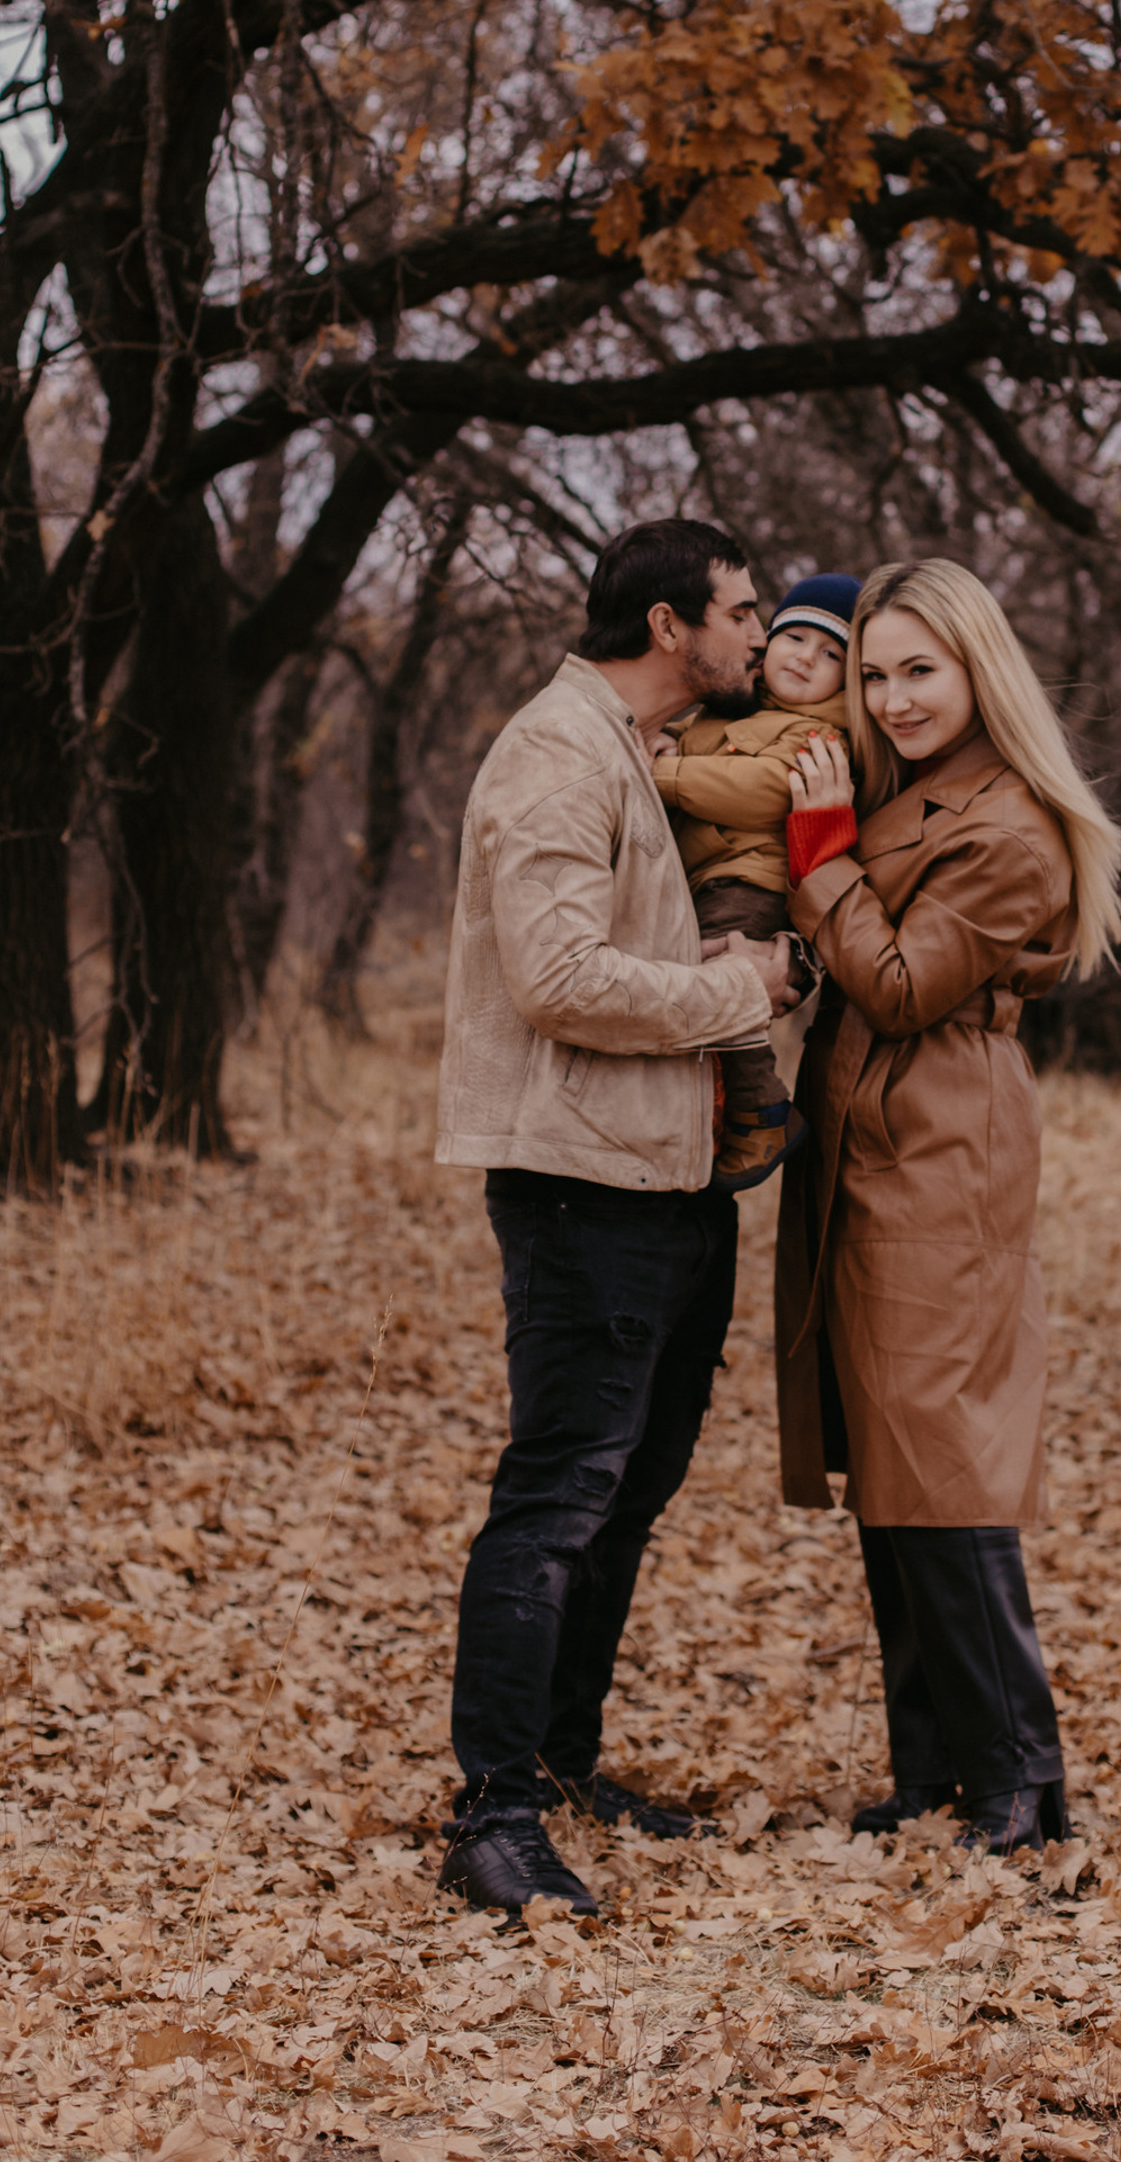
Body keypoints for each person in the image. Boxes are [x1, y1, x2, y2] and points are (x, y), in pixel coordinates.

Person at [435, 518, 800, 1915]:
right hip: (583, 1185)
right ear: (669, 625)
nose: (757, 637)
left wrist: (721, 962)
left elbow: (621, 949)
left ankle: (566, 1763)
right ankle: (495, 1810)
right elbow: (557, 977)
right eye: (742, 612)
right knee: (561, 1491)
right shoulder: (555, 751)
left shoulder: (632, 756)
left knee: (628, 1492)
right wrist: (741, 990)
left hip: (671, 1175)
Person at [776, 555, 1121, 1853]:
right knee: (889, 1460)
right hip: (873, 1137)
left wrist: (819, 856)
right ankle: (931, 1770)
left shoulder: (1011, 826)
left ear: (981, 667)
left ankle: (1023, 1785)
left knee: (946, 1460)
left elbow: (905, 982)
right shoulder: (913, 788)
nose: (895, 697)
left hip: (942, 1139)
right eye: (876, 674)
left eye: (920, 669)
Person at [650, 571, 861, 1193]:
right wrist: (661, 739)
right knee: (696, 982)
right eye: (795, 637)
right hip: (702, 880)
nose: (806, 658)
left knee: (726, 978)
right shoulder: (726, 708)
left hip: (752, 884)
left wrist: (664, 774)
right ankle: (717, 1106)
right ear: (766, 641)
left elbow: (767, 791)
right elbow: (680, 740)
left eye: (831, 656)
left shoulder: (820, 734)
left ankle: (761, 1104)